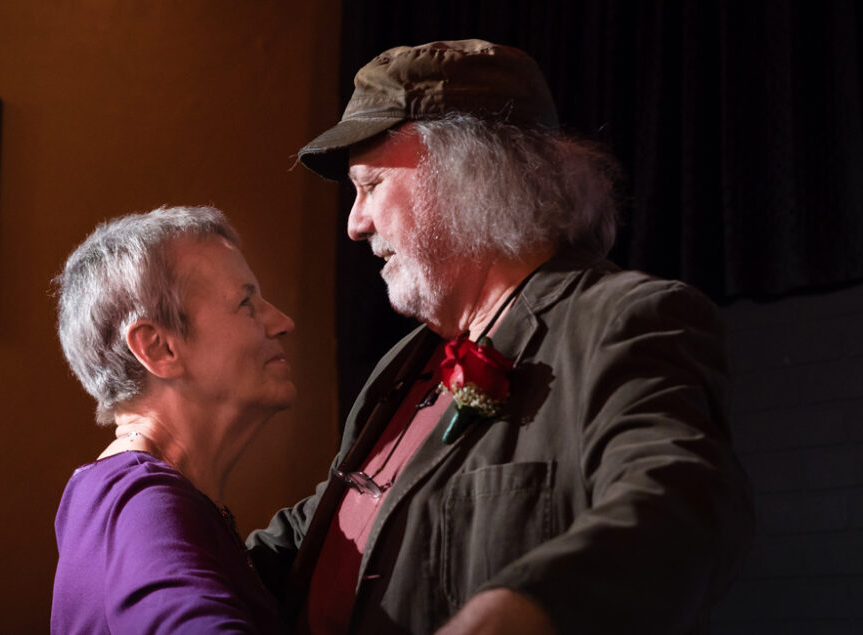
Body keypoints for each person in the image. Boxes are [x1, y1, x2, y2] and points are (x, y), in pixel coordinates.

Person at [246, 39, 754, 634]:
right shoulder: (403, 368)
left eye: (372, 185)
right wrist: (146, 522)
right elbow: (336, 523)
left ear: (468, 176)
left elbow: (683, 498)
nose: (355, 226)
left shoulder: (622, 320)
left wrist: (533, 605)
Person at [51, 206, 293, 634]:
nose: (282, 322)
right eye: (246, 303)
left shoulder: (123, 491)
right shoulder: (142, 503)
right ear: (159, 348)